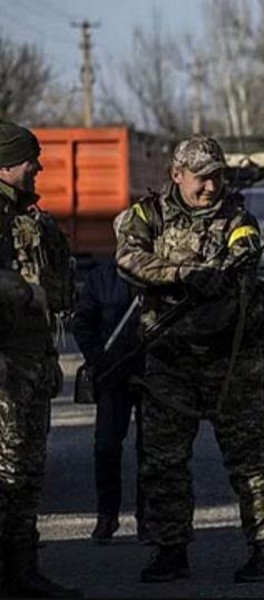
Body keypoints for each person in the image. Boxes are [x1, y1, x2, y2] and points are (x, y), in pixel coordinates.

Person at [116, 134, 264, 584]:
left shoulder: (237, 218)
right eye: (201, 178)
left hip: (229, 360)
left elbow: (244, 253)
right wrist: (181, 274)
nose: (210, 187)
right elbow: (128, 258)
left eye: (216, 177)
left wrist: (223, 275)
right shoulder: (146, 215)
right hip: (169, 361)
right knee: (164, 461)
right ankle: (170, 549)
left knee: (251, 458)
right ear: (177, 175)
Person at [0, 120, 81, 597]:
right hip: (6, 369)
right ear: (6, 164)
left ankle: (22, 571)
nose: (39, 167)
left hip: (32, 364)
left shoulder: (30, 218)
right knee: (7, 472)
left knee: (27, 472)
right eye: (31, 159)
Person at [71, 236, 146, 545]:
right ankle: (107, 515)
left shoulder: (156, 275)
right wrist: (99, 359)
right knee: (106, 448)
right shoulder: (101, 277)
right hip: (112, 375)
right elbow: (83, 323)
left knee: (152, 450)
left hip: (150, 373)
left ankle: (150, 518)